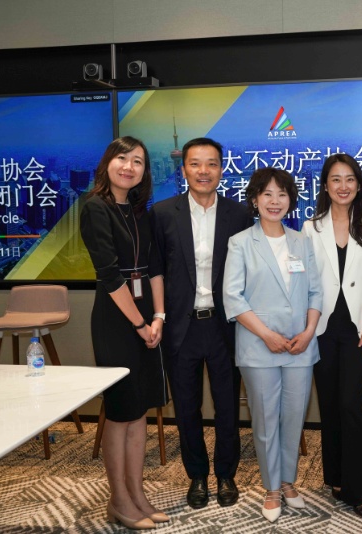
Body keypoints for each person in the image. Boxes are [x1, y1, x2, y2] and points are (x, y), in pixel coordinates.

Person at [150, 138, 253, 510]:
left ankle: (226, 474)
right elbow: (156, 270)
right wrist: (159, 316)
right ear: (184, 170)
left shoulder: (239, 214)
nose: (203, 171)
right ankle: (196, 476)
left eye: (211, 164)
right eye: (195, 164)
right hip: (182, 326)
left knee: (227, 407)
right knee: (187, 408)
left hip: (226, 325)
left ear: (221, 169)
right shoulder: (163, 213)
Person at [223, 168, 322, 523]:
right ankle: (271, 488)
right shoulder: (240, 242)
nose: (275, 201)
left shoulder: (301, 241)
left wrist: (309, 331)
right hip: (258, 346)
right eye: (267, 194)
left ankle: (288, 481)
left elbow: (315, 292)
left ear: (291, 200)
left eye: (282, 194)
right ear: (255, 199)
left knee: (293, 417)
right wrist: (266, 334)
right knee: (266, 420)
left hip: (299, 346)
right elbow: (232, 297)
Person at [80, 136, 169, 530]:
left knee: (139, 411)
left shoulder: (138, 211)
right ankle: (118, 500)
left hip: (146, 318)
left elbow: (153, 267)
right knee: (120, 413)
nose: (129, 166)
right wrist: (139, 324)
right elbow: (110, 275)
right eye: (122, 158)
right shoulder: (95, 207)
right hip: (116, 321)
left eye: (138, 161)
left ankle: (137, 494)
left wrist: (158, 317)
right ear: (107, 163)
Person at [302, 153, 362, 518]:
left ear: (358, 184)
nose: (343, 186)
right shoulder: (311, 227)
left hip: (359, 329)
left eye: (350, 179)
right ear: (325, 185)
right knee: (329, 404)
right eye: (336, 179)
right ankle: (335, 477)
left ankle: (358, 489)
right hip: (323, 329)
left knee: (351, 404)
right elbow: (308, 280)